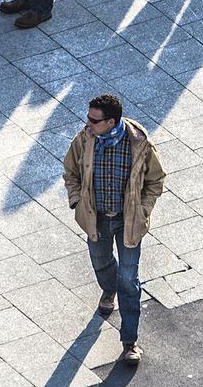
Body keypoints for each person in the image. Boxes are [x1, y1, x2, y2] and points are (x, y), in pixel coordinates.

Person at [62, 92, 165, 368]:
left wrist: (143, 210)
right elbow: (70, 172)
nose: (87, 124)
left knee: (129, 280)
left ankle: (129, 342)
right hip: (96, 218)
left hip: (128, 220)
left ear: (111, 121)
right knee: (101, 262)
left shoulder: (138, 144)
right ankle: (109, 289)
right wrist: (76, 201)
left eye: (94, 120)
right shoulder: (84, 140)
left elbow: (155, 180)